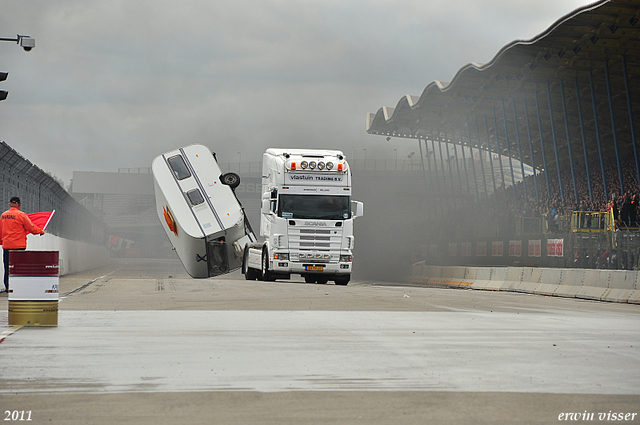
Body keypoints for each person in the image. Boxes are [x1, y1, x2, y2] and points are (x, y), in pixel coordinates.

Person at [0, 197, 45, 292]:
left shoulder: (3, 215)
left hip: (7, 246)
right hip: (18, 246)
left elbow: (1, 230)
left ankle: (8, 287)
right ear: (19, 205)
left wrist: (1, 242)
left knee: (7, 268)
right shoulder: (21, 215)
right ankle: (17, 287)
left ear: (9, 205)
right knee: (18, 268)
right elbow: (31, 228)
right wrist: (40, 231)